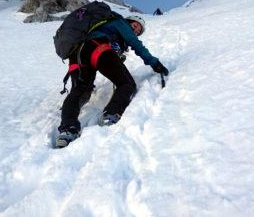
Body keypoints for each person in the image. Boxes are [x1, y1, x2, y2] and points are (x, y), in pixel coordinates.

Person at [56, 14, 169, 148]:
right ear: (129, 21)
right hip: (98, 48)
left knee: (80, 91)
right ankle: (110, 115)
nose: (136, 30)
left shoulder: (106, 27)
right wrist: (154, 63)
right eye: (135, 26)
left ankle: (67, 130)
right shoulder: (121, 23)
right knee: (127, 83)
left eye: (139, 31)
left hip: (77, 56)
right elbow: (136, 44)